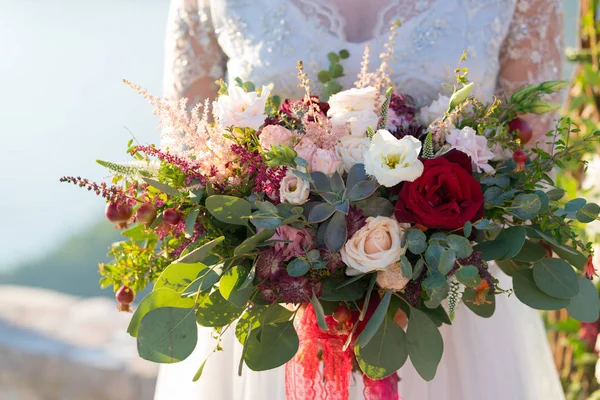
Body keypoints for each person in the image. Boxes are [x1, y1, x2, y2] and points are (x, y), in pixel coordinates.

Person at [154, 1, 566, 399]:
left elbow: (529, 161)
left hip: (446, 304)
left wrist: (410, 264)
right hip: (278, 306)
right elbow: (191, 163)